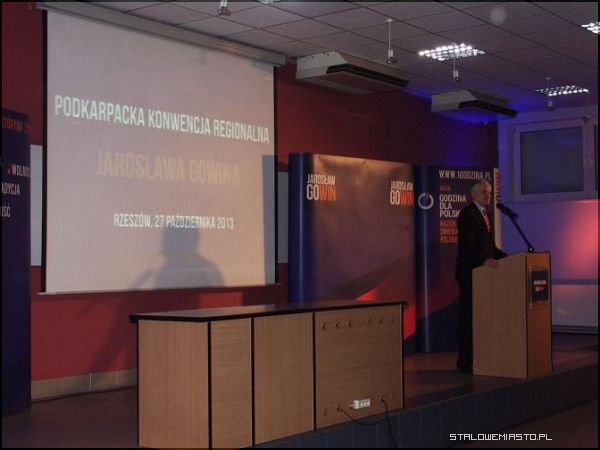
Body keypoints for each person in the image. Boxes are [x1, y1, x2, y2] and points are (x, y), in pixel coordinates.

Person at [455, 179, 507, 374]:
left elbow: (490, 248)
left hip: (484, 277)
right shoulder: (467, 214)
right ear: (473, 194)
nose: (488, 196)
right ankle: (465, 361)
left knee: (483, 318)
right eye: (484, 192)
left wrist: (511, 259)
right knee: (468, 318)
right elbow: (467, 246)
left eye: (490, 192)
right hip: (471, 275)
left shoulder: (486, 215)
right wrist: (484, 260)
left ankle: (481, 357)